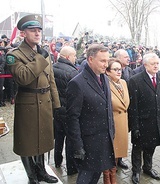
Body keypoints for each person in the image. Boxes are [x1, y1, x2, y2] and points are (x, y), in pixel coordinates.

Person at [5, 14, 61, 183]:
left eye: (39, 31)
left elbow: (51, 79)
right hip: (28, 103)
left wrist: (56, 104)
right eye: (32, 31)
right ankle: (32, 176)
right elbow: (23, 77)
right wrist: (39, 57)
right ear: (23, 33)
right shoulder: (14, 55)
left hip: (45, 102)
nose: (37, 34)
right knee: (28, 142)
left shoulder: (43, 53)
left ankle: (42, 171)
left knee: (43, 139)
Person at [65, 44, 116, 184]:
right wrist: (78, 146)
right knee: (85, 179)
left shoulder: (104, 78)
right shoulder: (77, 83)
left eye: (107, 60)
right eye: (102, 61)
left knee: (95, 177)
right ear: (90, 59)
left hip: (103, 140)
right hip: (88, 144)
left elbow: (107, 106)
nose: (106, 65)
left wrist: (112, 130)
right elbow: (72, 118)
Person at [128, 53, 160, 184]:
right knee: (138, 148)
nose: (156, 66)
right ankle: (136, 171)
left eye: (157, 63)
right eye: (153, 64)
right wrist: (134, 126)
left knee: (151, 146)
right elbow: (133, 106)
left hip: (157, 121)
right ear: (145, 65)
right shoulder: (135, 80)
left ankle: (148, 168)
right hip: (141, 122)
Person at [52, 46, 79, 175]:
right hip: (68, 111)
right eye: (74, 56)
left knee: (58, 136)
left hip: (57, 109)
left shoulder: (53, 67)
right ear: (68, 57)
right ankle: (71, 168)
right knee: (70, 140)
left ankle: (57, 161)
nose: (76, 58)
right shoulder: (72, 72)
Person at [104, 58, 130, 184]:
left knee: (117, 152)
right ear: (108, 72)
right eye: (115, 69)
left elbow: (125, 103)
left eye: (120, 69)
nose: (119, 72)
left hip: (122, 123)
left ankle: (113, 173)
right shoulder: (104, 83)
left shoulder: (124, 83)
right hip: (111, 123)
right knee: (109, 151)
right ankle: (106, 175)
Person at [114, 48, 133, 169]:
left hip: (128, 108)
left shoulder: (130, 71)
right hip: (117, 110)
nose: (129, 58)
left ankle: (119, 158)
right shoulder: (109, 72)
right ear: (118, 58)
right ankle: (113, 162)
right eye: (125, 57)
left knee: (123, 136)